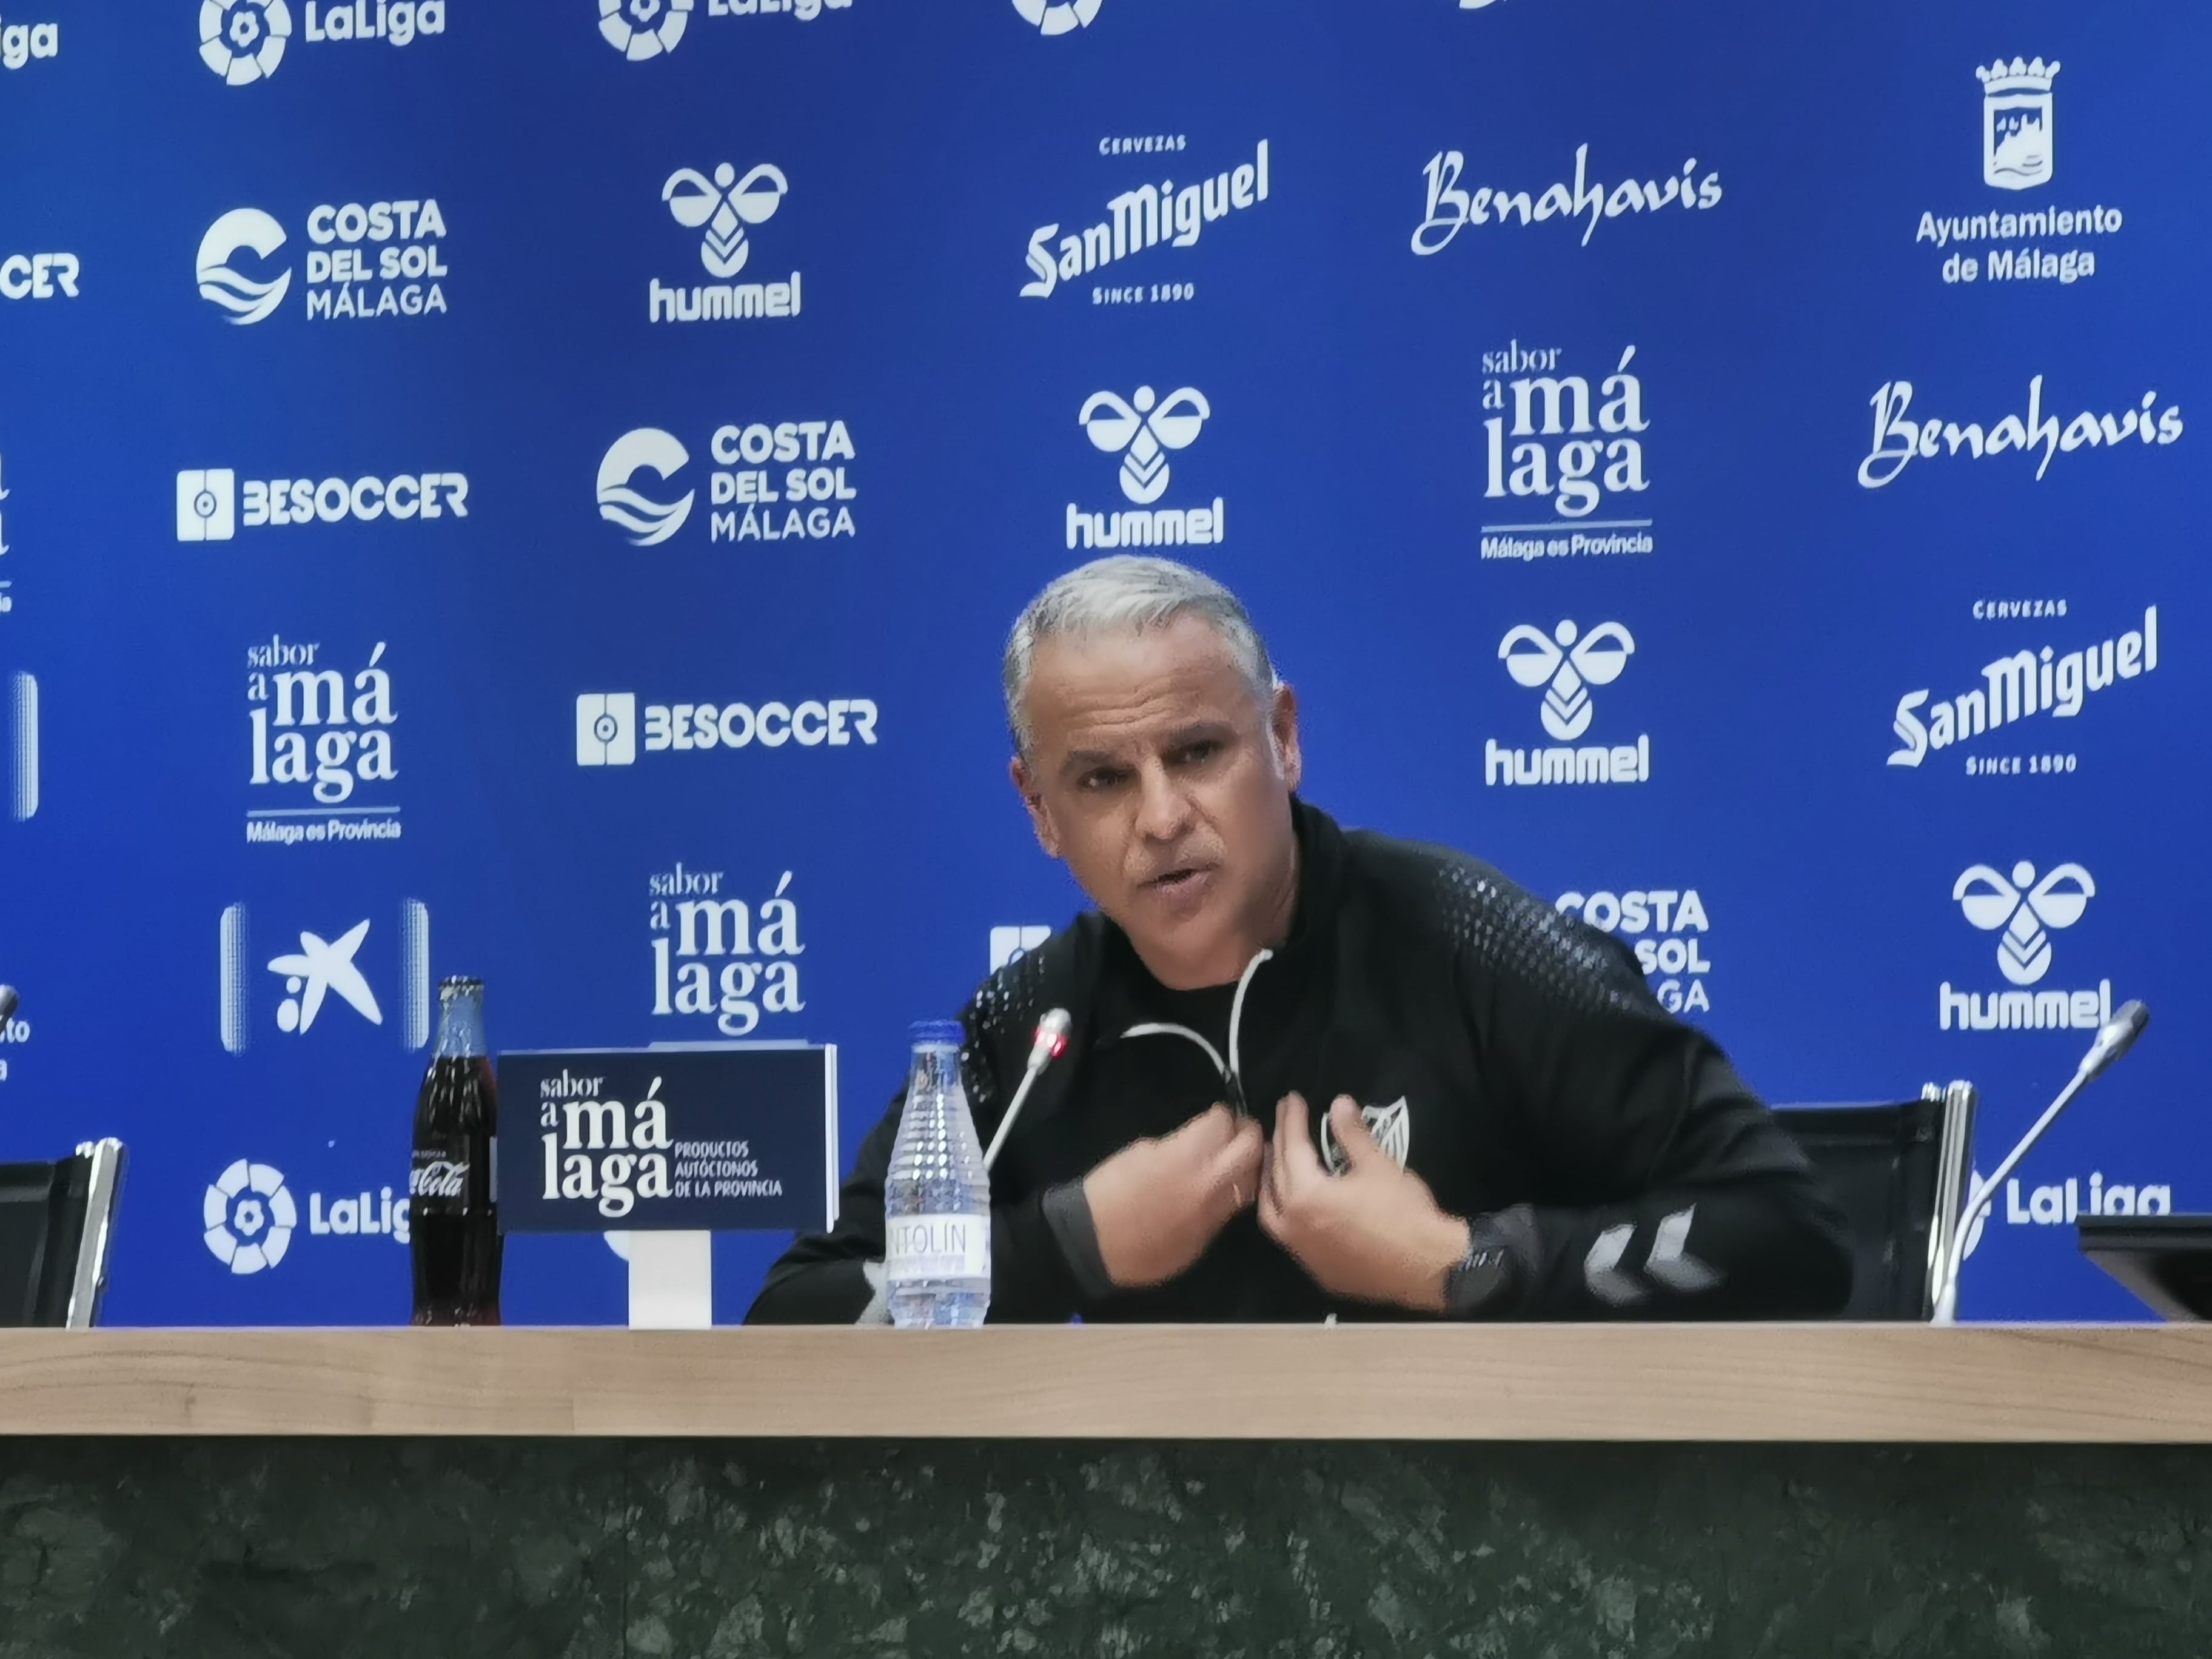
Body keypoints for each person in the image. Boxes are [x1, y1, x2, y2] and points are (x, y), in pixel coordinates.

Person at [748, 556, 1852, 1322]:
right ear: (1039, 810)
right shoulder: (1027, 1032)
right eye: (1100, 779)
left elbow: (1792, 1238)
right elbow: (797, 1324)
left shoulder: (1473, 944)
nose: (1162, 817)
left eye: (1197, 752)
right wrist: (1070, 1245)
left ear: (1282, 738)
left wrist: (1462, 1265)